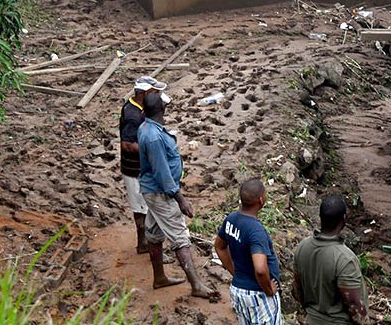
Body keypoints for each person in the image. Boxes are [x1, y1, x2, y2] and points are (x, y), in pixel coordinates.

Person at [137, 90, 215, 299]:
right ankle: (196, 285)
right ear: (162, 109)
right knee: (180, 237)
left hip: (151, 191)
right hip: (160, 192)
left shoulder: (146, 128)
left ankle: (159, 277)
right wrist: (180, 198)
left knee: (153, 233)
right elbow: (162, 172)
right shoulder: (154, 137)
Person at [214, 179, 282, 325]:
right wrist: (269, 290)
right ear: (261, 199)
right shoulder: (256, 231)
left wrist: (235, 272)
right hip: (258, 296)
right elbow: (260, 270)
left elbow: (219, 246)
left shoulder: (231, 219)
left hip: (238, 290)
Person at [292, 195, 368, 325]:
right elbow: (354, 305)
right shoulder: (345, 259)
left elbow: (297, 290)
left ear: (320, 217)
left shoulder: (302, 247)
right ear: (344, 219)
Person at [119, 76, 166, 254]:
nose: (158, 95)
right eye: (155, 92)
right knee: (140, 206)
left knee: (144, 205)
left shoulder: (138, 108)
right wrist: (151, 148)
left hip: (140, 166)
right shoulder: (132, 114)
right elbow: (127, 144)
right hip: (134, 168)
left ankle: (145, 241)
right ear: (145, 92)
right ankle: (143, 243)